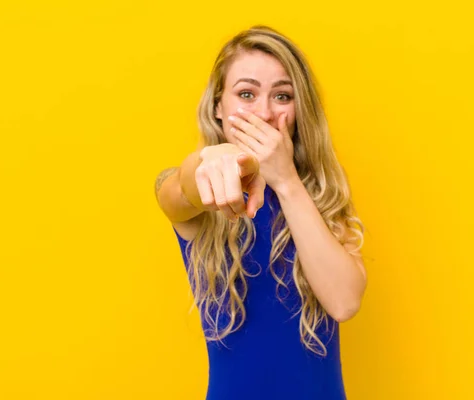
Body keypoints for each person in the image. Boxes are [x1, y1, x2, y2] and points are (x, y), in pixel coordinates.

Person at [154, 25, 366, 400]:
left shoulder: (321, 197)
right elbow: (176, 189)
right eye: (246, 94)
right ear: (218, 106)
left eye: (282, 96)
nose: (265, 113)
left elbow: (345, 301)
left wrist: (285, 182)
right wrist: (206, 161)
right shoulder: (203, 189)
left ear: (300, 111)